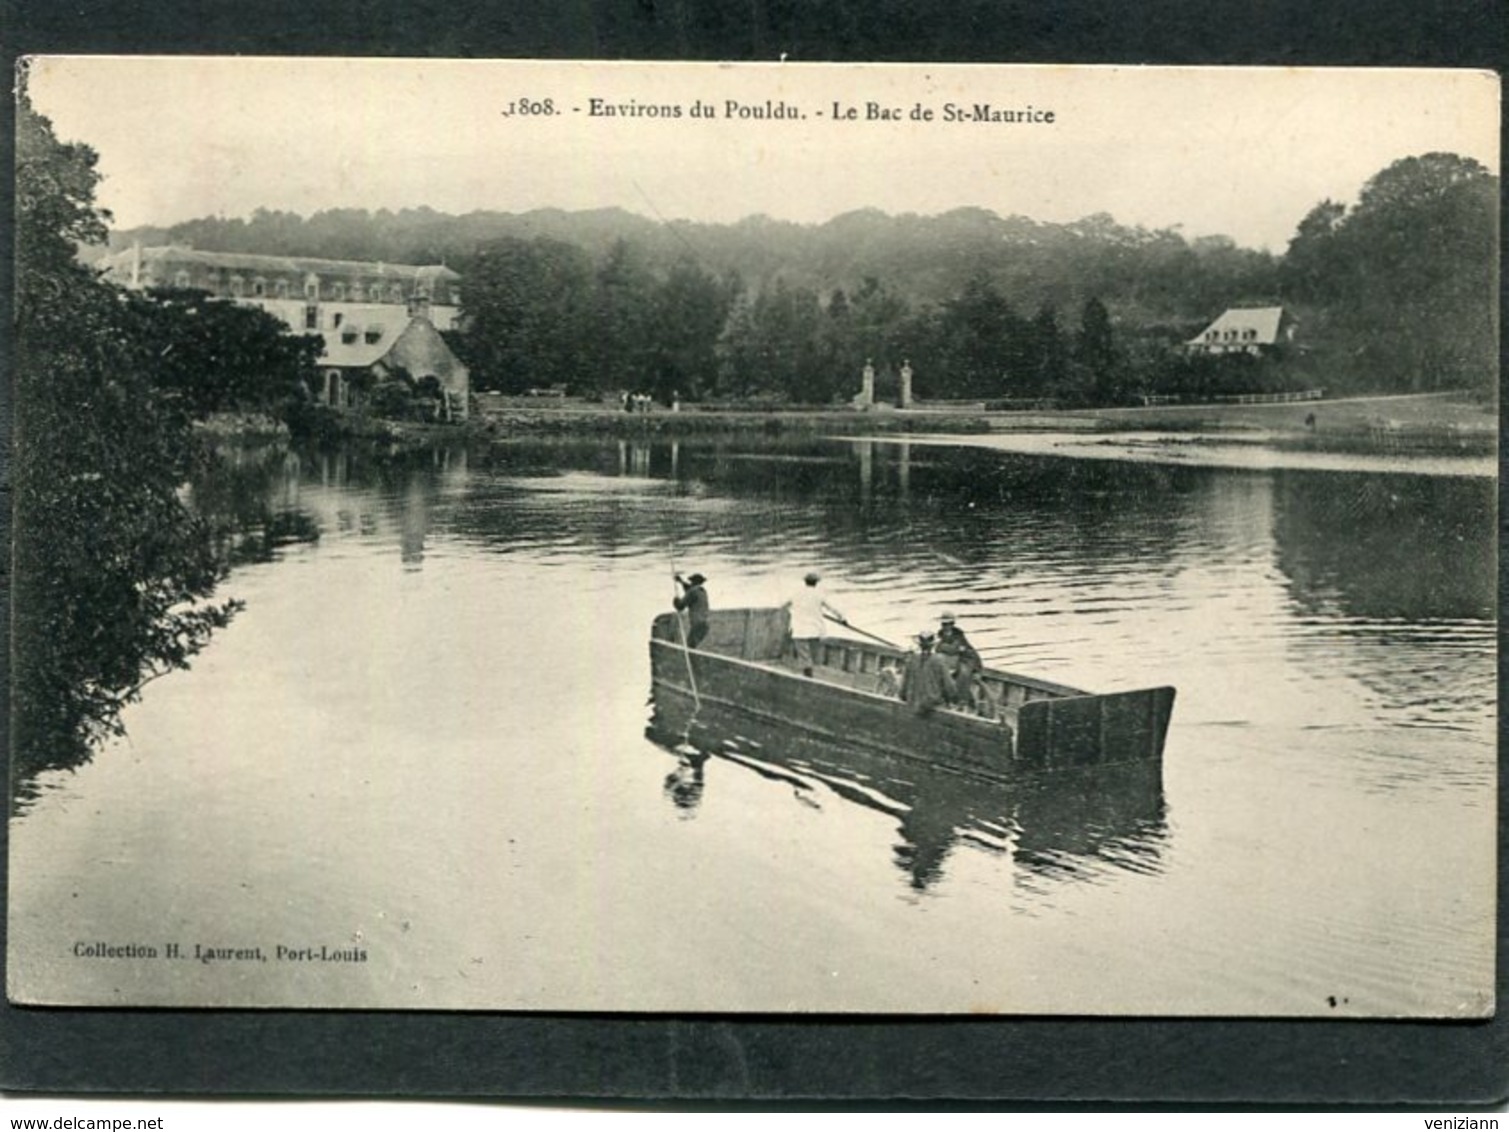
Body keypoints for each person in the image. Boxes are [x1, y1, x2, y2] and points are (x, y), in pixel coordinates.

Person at [783, 571, 845, 677]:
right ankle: (810, 674)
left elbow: (783, 606)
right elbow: (833, 609)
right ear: (816, 583)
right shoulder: (820, 595)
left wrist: (792, 609)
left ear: (805, 582)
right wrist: (842, 619)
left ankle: (808, 676)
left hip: (800, 630)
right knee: (811, 655)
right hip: (815, 630)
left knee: (804, 656)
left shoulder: (796, 594)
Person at [900, 632, 955, 716]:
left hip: (913, 705)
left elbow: (903, 690)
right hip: (930, 707)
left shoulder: (911, 659)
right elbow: (949, 687)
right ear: (933, 646)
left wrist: (905, 697)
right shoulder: (939, 660)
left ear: (919, 645)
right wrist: (951, 700)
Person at [936, 611, 981, 708]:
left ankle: (961, 701)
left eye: (949, 624)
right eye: (944, 624)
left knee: (964, 674)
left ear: (952, 624)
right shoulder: (938, 638)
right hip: (943, 663)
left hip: (957, 663)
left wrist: (977, 670)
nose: (946, 626)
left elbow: (971, 653)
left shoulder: (959, 637)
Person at [672, 572, 710, 649]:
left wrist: (675, 601)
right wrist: (681, 581)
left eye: (692, 582)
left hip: (697, 623)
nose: (691, 583)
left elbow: (680, 606)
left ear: (694, 582)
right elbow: (689, 589)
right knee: (693, 645)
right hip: (705, 624)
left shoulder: (692, 591)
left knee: (690, 646)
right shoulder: (702, 591)